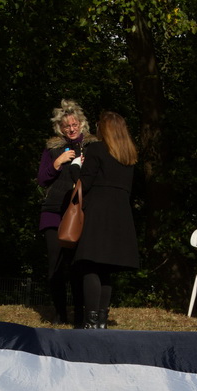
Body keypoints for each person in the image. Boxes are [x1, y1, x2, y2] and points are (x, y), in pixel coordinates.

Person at [72, 111, 139, 329]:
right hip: (120, 214)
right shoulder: (128, 156)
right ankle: (101, 321)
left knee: (90, 264)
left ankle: (90, 321)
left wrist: (75, 168)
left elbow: (84, 183)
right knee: (106, 269)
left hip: (99, 212)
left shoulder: (97, 149)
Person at [36, 99, 96, 326]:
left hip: (82, 213)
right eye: (66, 126)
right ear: (59, 128)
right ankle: (60, 313)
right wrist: (57, 163)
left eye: (74, 124)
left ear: (82, 124)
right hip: (54, 213)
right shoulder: (52, 148)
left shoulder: (93, 146)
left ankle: (81, 315)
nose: (71, 129)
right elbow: (42, 179)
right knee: (56, 266)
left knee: (79, 265)